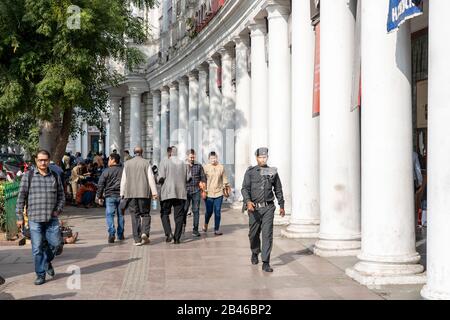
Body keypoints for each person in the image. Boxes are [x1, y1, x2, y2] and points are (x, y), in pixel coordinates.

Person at [15, 150, 65, 285]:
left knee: (56, 245)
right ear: (36, 161)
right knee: (37, 248)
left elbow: (61, 196)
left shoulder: (55, 176)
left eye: (45, 160)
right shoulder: (28, 176)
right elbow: (21, 198)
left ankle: (46, 260)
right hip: (34, 219)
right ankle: (40, 274)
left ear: (49, 161)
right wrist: (19, 216)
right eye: (40, 160)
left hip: (51, 218)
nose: (43, 162)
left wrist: (58, 210)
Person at [241, 148, 285, 273]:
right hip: (254, 208)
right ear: (256, 158)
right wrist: (248, 202)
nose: (263, 159)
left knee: (267, 234)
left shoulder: (272, 172)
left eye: (265, 157)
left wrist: (281, 205)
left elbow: (278, 189)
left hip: (268, 208)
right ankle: (255, 252)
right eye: (260, 157)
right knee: (253, 234)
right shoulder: (250, 172)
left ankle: (266, 262)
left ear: (267, 158)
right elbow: (244, 189)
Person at [120, 147, 158, 246]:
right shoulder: (146, 163)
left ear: (134, 153)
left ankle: (137, 239)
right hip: (144, 193)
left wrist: (122, 193)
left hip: (130, 194)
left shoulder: (127, 164)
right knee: (145, 213)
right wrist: (154, 192)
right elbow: (151, 178)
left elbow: (123, 180)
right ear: (142, 153)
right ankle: (144, 232)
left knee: (134, 215)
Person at [159, 146, 191, 244]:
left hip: (168, 192)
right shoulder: (183, 163)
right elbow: (188, 178)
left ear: (169, 153)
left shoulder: (164, 161)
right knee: (179, 215)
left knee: (164, 213)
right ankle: (177, 238)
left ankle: (168, 233)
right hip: (180, 193)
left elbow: (161, 177)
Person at [96, 153, 124, 243]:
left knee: (110, 215)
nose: (108, 161)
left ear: (113, 160)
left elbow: (100, 184)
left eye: (109, 159)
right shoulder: (123, 170)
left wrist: (99, 196)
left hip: (110, 196)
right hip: (121, 196)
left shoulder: (106, 171)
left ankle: (112, 233)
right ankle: (120, 234)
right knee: (121, 215)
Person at [202, 152, 229, 236]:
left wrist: (226, 186)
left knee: (217, 211)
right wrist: (203, 190)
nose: (213, 160)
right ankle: (206, 223)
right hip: (209, 193)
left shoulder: (221, 167)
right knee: (209, 212)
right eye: (211, 158)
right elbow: (203, 179)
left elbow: (224, 178)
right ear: (209, 159)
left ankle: (216, 229)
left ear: (217, 158)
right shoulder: (205, 168)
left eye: (214, 158)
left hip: (219, 193)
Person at [184, 149, 207, 237]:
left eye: (193, 157)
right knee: (184, 210)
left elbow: (203, 178)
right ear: (187, 157)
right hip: (185, 191)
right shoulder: (183, 166)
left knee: (196, 210)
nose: (192, 158)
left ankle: (195, 229)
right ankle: (183, 227)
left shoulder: (199, 165)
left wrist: (204, 189)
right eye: (191, 157)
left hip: (196, 190)